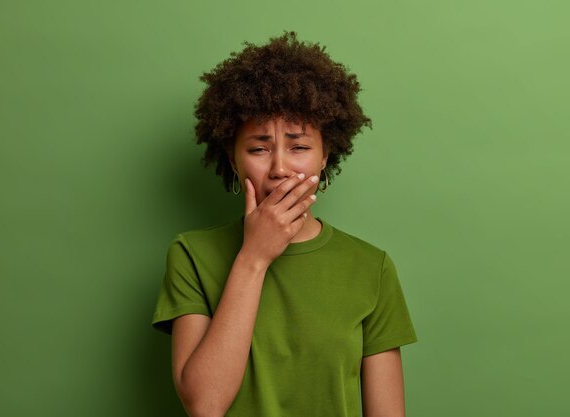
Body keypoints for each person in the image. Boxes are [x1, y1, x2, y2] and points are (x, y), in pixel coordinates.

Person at [151, 31, 418, 417]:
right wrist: (253, 258)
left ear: (326, 155)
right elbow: (204, 405)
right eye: (259, 148)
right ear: (232, 158)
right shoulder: (192, 255)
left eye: (300, 147)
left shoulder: (371, 268)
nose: (279, 169)